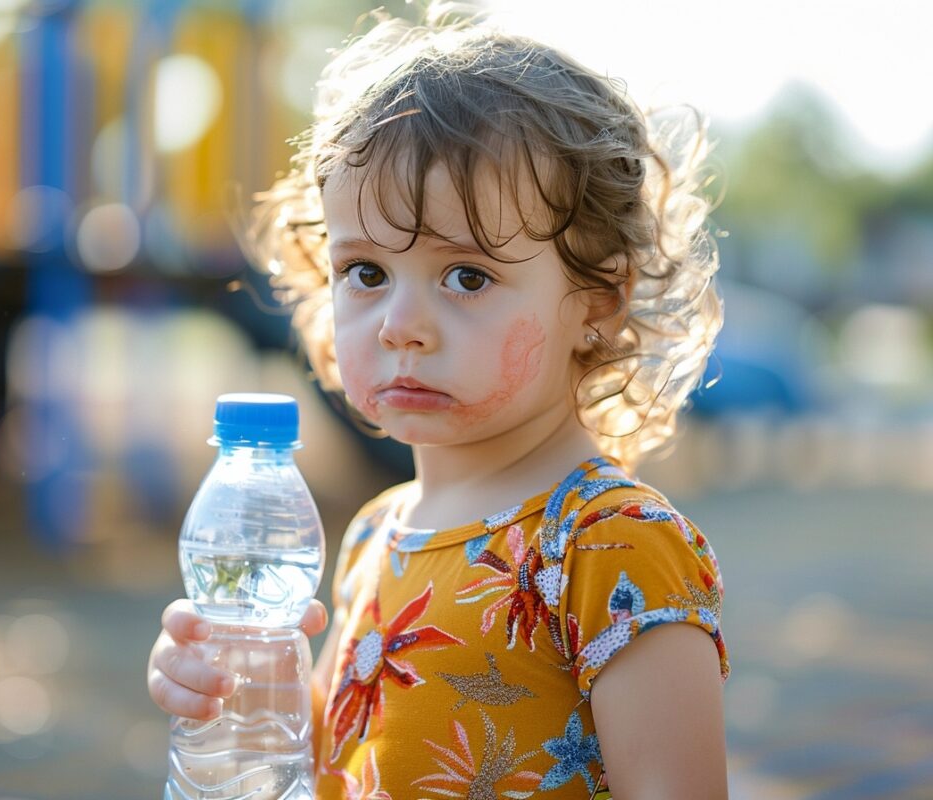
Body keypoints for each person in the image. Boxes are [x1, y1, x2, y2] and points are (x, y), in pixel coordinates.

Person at [148, 4, 729, 797]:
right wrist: (241, 703)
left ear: (597, 299)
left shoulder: (612, 545)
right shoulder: (371, 537)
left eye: (468, 276)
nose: (401, 326)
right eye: (366, 272)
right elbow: (335, 770)